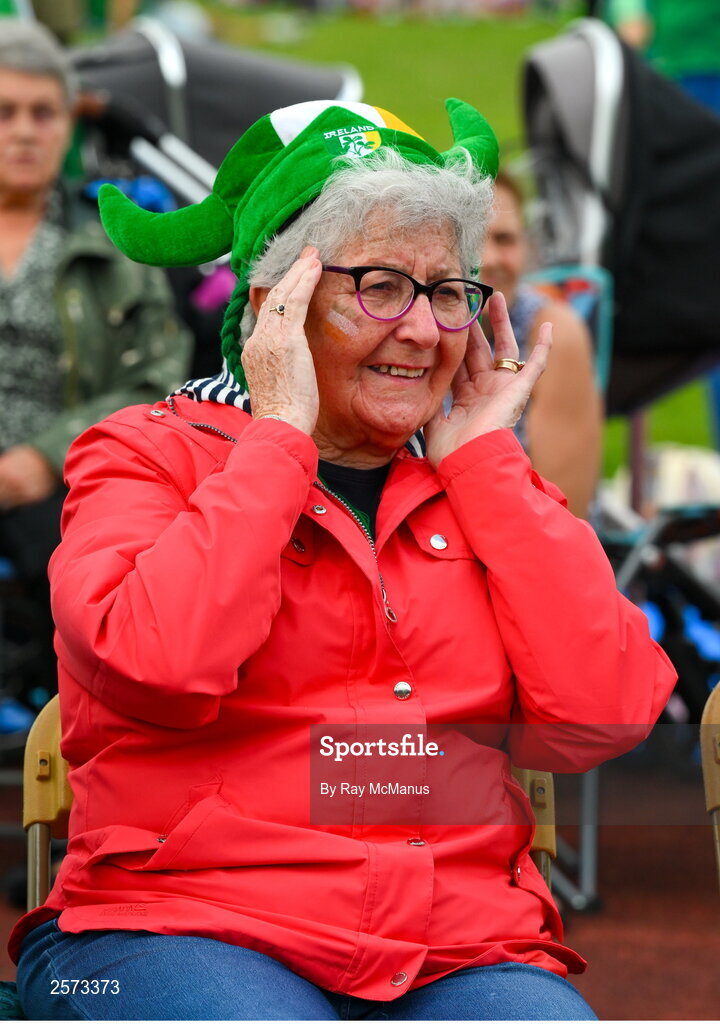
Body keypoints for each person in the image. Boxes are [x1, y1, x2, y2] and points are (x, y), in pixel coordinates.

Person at [10, 97, 676, 1020]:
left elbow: (601, 720)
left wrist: (487, 465)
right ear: (271, 305)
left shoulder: (474, 485)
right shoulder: (144, 454)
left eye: (448, 292)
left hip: (454, 947)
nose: (422, 329)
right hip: (174, 927)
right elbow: (156, 668)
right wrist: (280, 438)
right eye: (381, 286)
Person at [0, 20, 191, 694]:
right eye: (5, 112)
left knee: (89, 570)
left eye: (43, 112)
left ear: (66, 127)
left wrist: (43, 458)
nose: (24, 130)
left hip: (63, 487)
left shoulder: (114, 247)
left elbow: (156, 381)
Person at [480, 169, 603, 518]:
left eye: (504, 240)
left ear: (526, 248)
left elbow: (563, 514)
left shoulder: (550, 336)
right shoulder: (418, 328)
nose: (489, 259)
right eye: (472, 238)